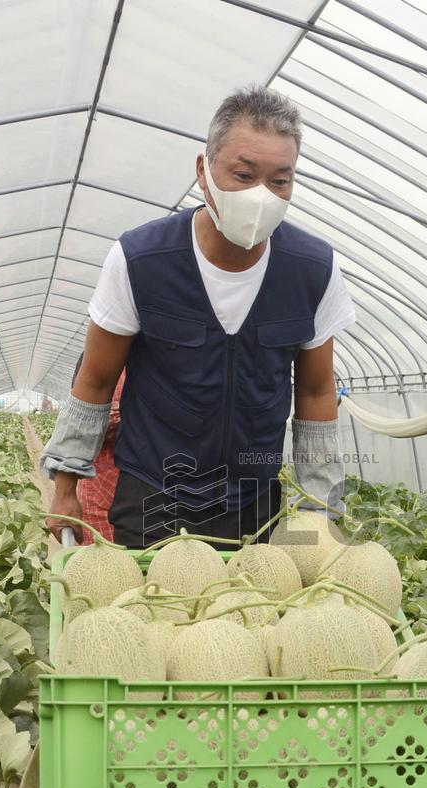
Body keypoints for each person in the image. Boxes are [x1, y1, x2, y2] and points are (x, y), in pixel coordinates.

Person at [42, 84, 355, 548]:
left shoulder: (314, 270)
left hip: (255, 499)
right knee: (149, 616)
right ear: (203, 171)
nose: (261, 196)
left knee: (251, 619)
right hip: (153, 495)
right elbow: (95, 381)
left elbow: (314, 391)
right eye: (244, 175)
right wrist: (65, 485)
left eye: (280, 181)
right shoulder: (140, 260)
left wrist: (321, 504)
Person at [70, 353, 125, 545]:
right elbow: (81, 416)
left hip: (147, 488)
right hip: (101, 486)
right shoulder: (96, 357)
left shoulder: (160, 358)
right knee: (102, 561)